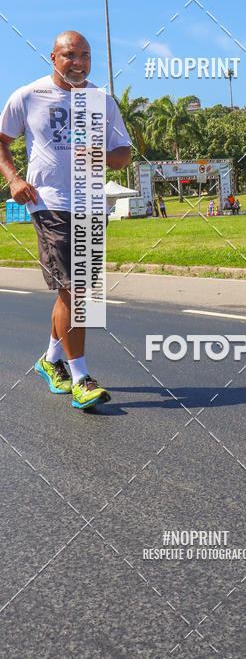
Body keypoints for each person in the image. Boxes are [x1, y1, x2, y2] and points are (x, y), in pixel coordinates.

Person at [0, 31, 131, 409]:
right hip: (49, 201)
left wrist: (102, 157)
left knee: (79, 294)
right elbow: (2, 140)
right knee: (74, 290)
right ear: (53, 57)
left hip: (92, 203)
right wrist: (14, 179)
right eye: (70, 55)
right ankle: (81, 378)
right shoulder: (28, 95)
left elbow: (122, 154)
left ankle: (51, 358)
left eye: (85, 56)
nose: (79, 62)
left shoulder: (101, 100)